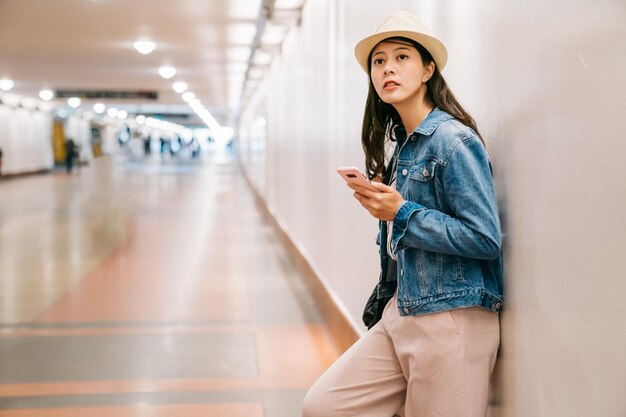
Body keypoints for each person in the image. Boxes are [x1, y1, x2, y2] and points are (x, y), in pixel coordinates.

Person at [302, 11, 503, 417]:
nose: (387, 68)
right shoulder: (404, 148)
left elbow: (485, 238)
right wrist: (387, 209)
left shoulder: (453, 140)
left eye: (402, 57)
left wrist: (403, 212)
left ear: (428, 68)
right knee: (323, 406)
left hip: (451, 319)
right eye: (378, 61)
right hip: (401, 310)